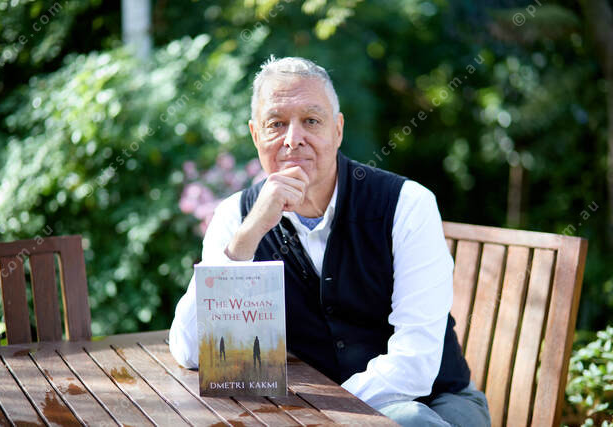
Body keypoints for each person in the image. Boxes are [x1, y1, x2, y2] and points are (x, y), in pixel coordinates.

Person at [169, 56, 491, 427]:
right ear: (256, 135)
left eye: (311, 121)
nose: (293, 139)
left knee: (407, 420)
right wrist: (248, 236)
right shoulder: (236, 216)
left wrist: (321, 415)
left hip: (435, 403)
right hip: (310, 413)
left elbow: (415, 363)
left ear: (337, 131)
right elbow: (191, 351)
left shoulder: (407, 204)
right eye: (276, 123)